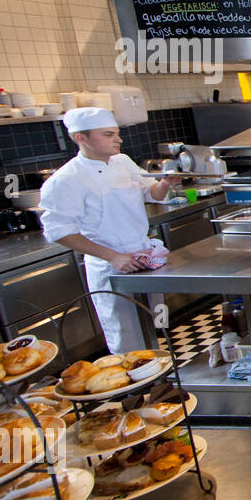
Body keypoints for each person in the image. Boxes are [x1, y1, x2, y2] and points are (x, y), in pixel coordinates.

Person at [39, 107, 185, 354]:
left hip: (144, 258)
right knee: (125, 335)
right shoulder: (66, 179)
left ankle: (160, 385)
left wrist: (164, 183)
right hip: (111, 266)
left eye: (116, 133)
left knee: (153, 327)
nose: (118, 140)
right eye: (107, 135)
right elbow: (59, 231)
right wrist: (113, 257)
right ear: (80, 138)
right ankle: (135, 390)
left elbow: (151, 193)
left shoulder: (123, 162)